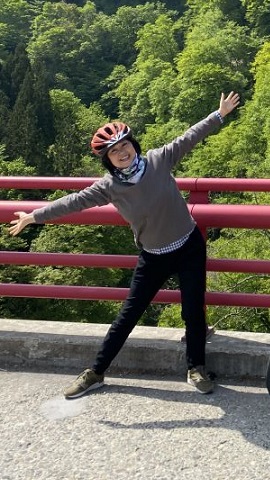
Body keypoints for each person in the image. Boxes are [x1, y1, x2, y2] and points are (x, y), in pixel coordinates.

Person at [8, 91, 241, 398]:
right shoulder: (109, 187)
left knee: (193, 311)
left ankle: (195, 368)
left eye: (124, 145)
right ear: (107, 160)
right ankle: (96, 371)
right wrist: (34, 216)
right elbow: (74, 202)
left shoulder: (159, 160)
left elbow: (189, 137)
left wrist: (219, 114)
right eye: (114, 151)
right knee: (127, 316)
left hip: (188, 247)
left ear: (134, 145)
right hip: (153, 256)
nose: (122, 152)